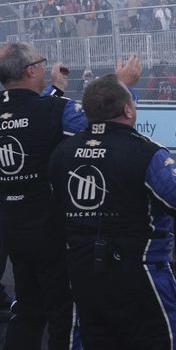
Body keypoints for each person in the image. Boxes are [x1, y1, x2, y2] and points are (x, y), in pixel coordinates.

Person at [47, 74, 176, 349]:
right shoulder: (145, 153)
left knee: (95, 339)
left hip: (80, 269)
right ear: (128, 109)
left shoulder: (61, 152)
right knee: (167, 338)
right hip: (137, 271)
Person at [0, 42, 140, 349]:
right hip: (52, 230)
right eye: (41, 62)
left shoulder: (44, 105)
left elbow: (26, 114)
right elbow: (106, 124)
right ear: (31, 70)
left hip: (10, 227)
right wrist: (121, 86)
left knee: (27, 309)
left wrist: (57, 88)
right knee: (64, 311)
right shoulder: (57, 111)